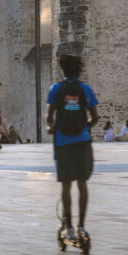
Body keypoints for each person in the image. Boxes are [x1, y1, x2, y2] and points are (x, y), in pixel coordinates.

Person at [46, 52, 99, 242]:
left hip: (63, 142)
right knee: (82, 183)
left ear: (62, 69)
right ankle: (82, 226)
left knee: (66, 185)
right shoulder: (85, 89)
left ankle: (68, 227)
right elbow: (96, 117)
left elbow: (49, 117)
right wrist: (84, 127)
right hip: (82, 141)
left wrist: (52, 128)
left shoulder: (55, 89)